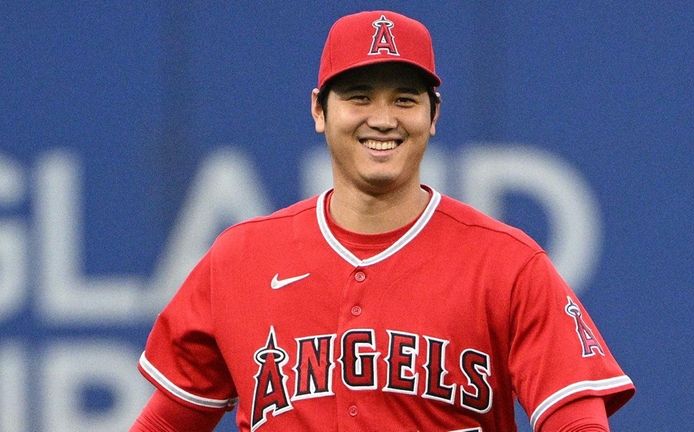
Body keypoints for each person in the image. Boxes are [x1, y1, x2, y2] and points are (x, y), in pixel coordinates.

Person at [131, 10, 634, 432]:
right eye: (359, 95)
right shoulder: (240, 259)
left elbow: (579, 421)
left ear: (433, 116)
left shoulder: (507, 264)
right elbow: (167, 421)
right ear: (319, 110)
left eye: (405, 99)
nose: (382, 118)